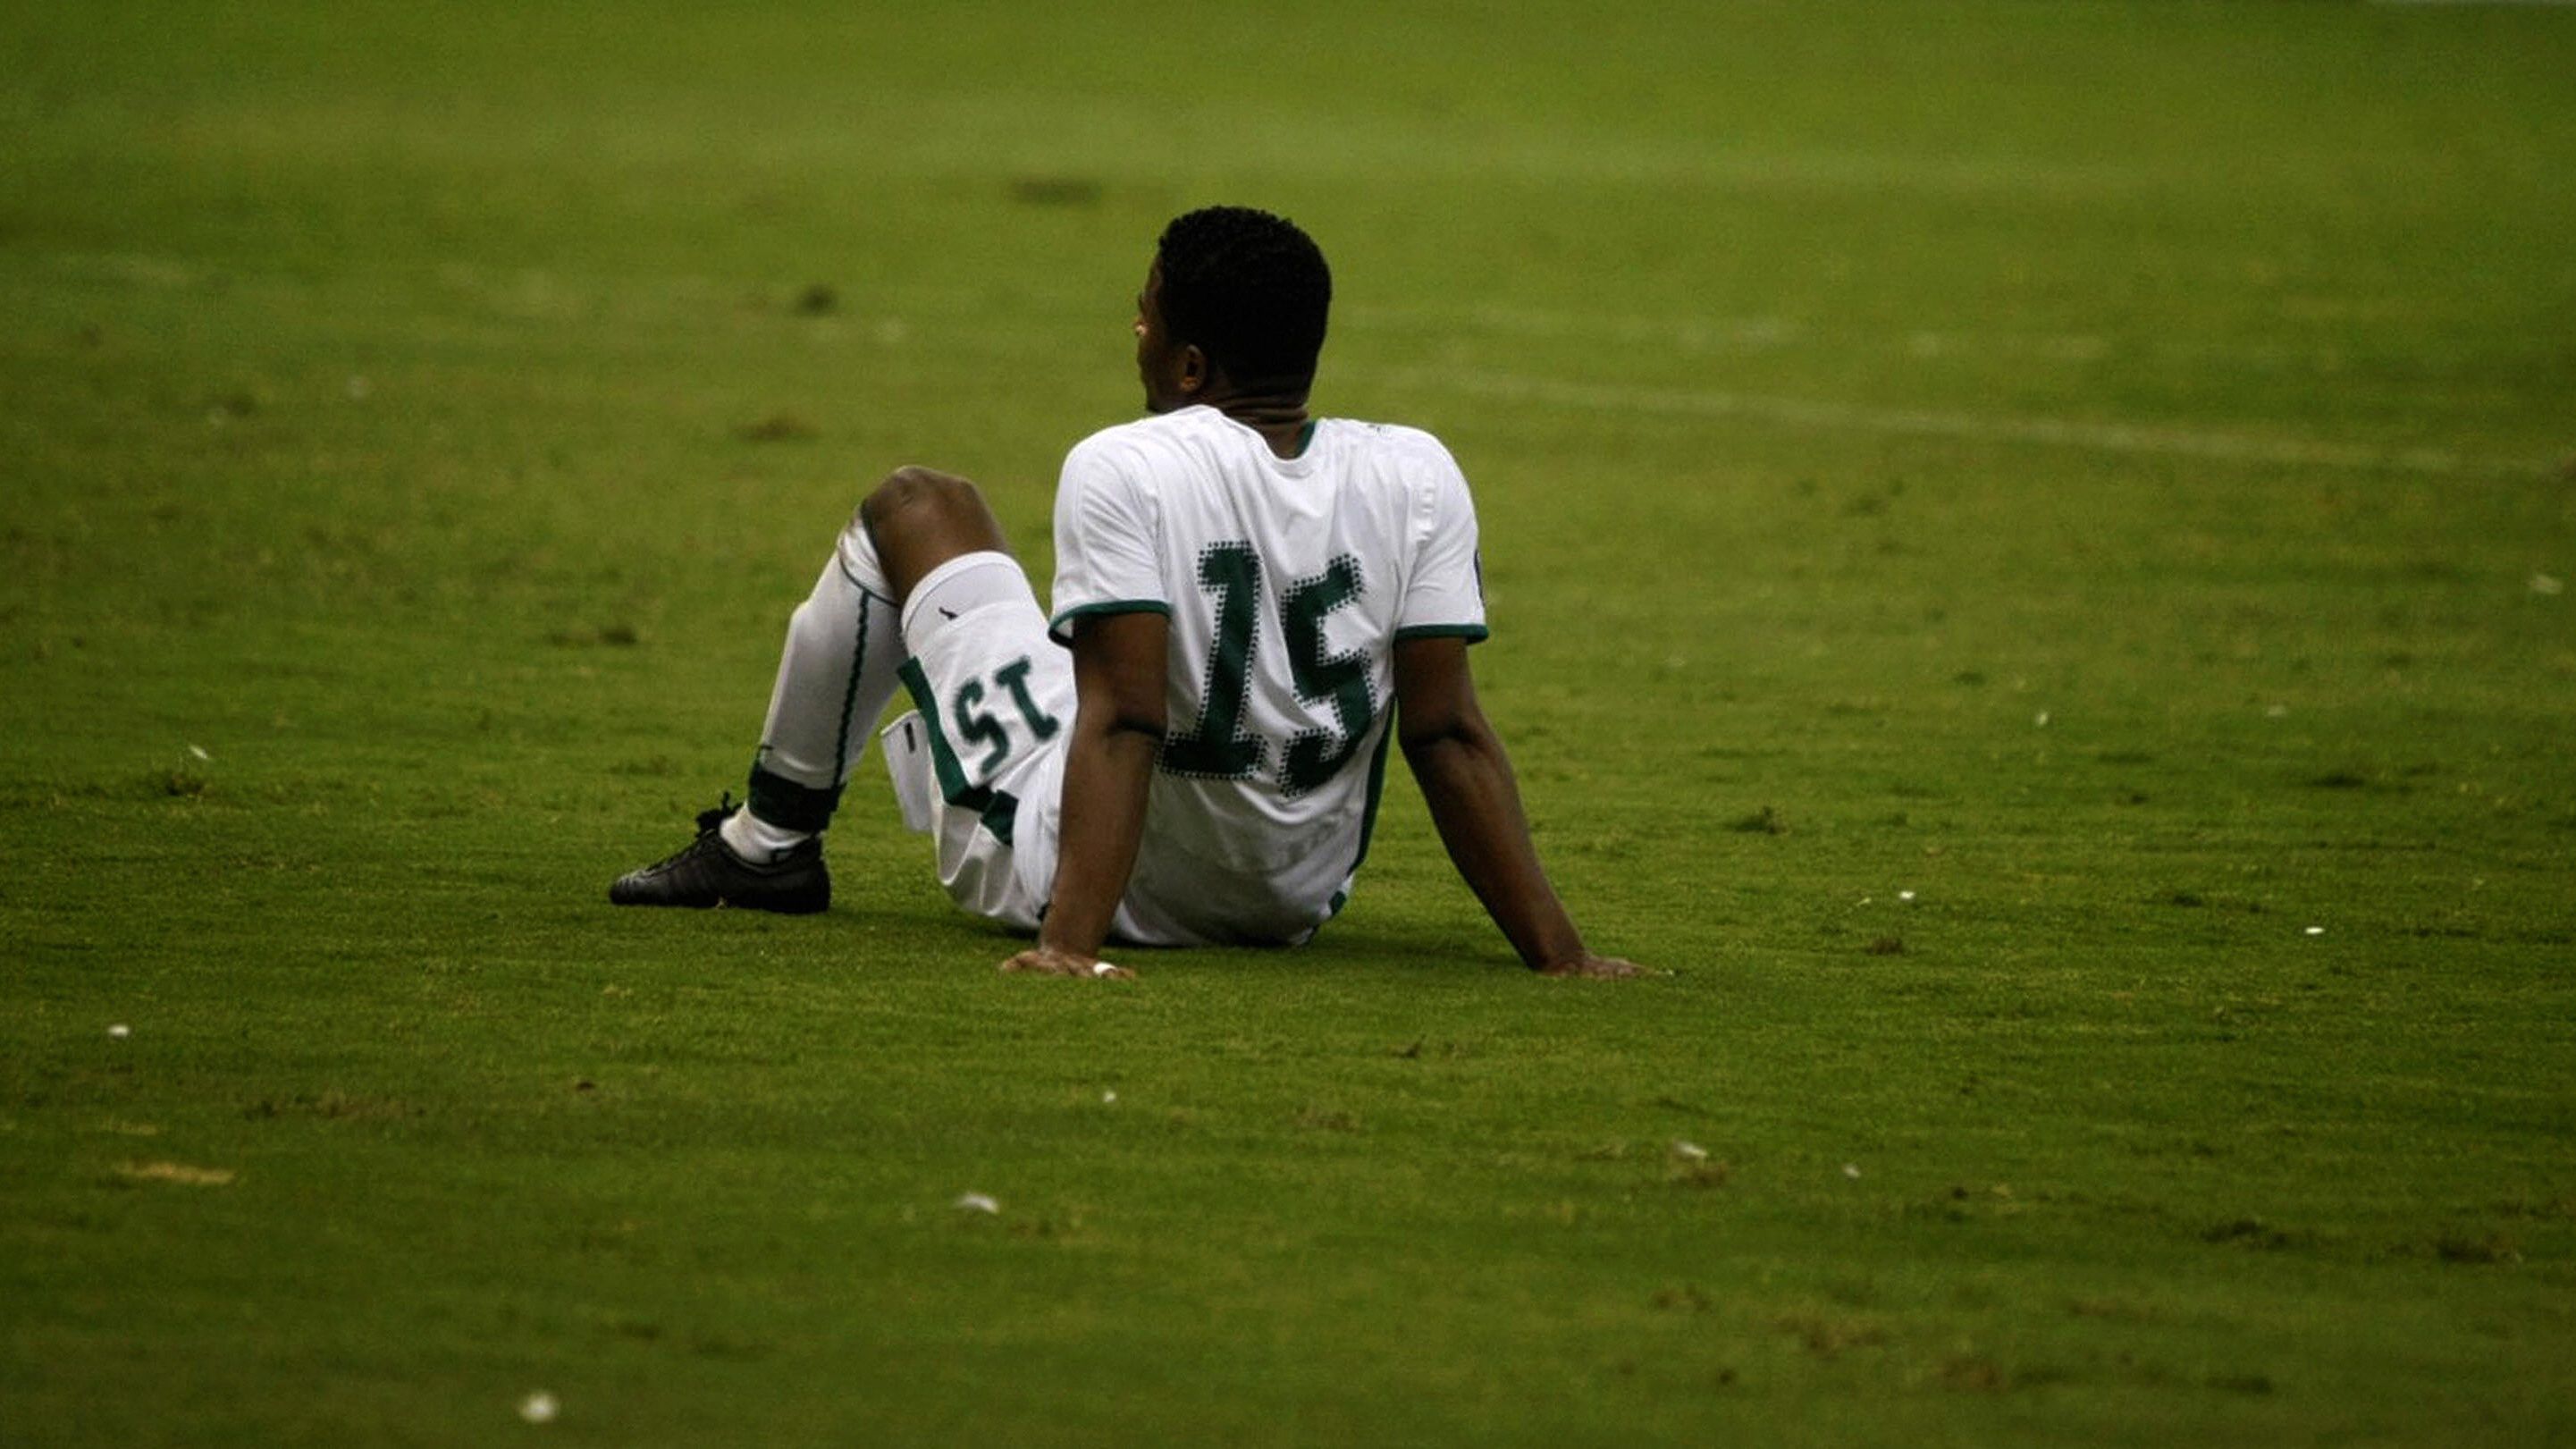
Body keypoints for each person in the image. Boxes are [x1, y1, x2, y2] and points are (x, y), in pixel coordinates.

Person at [610, 206, 1638, 981]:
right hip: (1289, 902)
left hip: (1093, 874)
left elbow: (1128, 716)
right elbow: (1448, 732)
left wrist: (1067, 944)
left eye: (1144, 313)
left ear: (1189, 364)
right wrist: (1563, 956)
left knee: (917, 504)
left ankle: (766, 846)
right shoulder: (1418, 470)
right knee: (1088, 655)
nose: (1133, 327)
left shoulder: (1125, 463)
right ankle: (771, 848)